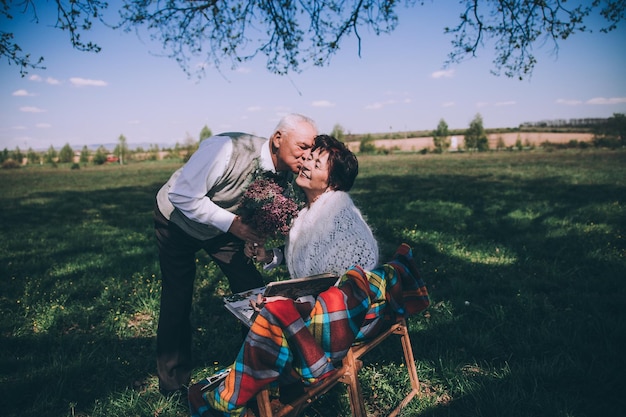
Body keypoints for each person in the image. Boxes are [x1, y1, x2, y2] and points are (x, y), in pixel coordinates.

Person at [188, 135, 430, 417]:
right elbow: (307, 259)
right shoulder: (309, 212)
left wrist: (290, 302)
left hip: (350, 316)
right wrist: (273, 257)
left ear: (333, 181)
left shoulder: (340, 216)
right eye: (308, 158)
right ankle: (242, 394)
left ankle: (228, 398)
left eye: (317, 163)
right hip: (323, 303)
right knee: (273, 315)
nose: (305, 165)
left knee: (273, 318)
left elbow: (346, 287)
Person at [153, 113, 318, 396]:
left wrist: (255, 236)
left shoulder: (286, 176)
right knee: (177, 297)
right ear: (278, 138)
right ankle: (172, 383)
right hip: (176, 223)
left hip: (224, 229)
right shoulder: (226, 149)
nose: (306, 156)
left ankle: (260, 368)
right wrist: (233, 225)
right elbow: (182, 195)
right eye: (302, 146)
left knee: (252, 290)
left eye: (311, 150)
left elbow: (260, 209)